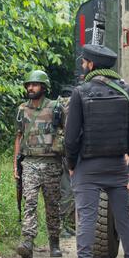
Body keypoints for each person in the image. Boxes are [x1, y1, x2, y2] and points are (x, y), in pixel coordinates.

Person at [64, 44, 129, 258]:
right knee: (125, 221)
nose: (83, 65)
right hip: (119, 165)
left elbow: (71, 137)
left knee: (86, 219)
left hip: (88, 166)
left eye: (84, 61)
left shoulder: (81, 92)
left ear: (91, 64)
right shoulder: (128, 91)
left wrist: (72, 164)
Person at [14, 70, 64, 258]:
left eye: (34, 84)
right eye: (28, 84)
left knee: (53, 205)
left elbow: (65, 132)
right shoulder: (22, 110)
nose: (30, 88)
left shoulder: (55, 108)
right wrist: (15, 165)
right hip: (30, 163)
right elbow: (18, 137)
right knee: (30, 203)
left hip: (52, 163)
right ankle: (27, 241)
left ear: (43, 87)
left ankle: (54, 241)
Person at [58, 85, 76, 239]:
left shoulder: (56, 105)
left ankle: (65, 225)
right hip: (70, 153)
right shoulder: (75, 103)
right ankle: (63, 226)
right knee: (69, 190)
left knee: (65, 190)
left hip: (58, 152)